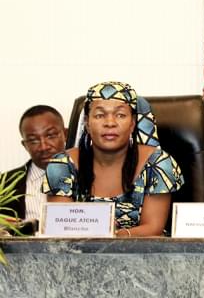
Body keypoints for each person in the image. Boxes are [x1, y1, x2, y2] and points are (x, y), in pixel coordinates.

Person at [44, 82, 184, 237]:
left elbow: (153, 228)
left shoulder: (158, 163)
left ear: (132, 124)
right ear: (87, 124)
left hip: (143, 254)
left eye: (120, 115)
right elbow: (61, 228)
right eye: (99, 115)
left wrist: (117, 235)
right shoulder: (61, 165)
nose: (110, 123)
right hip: (77, 255)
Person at [1, 105, 67, 232]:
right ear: (25, 145)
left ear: (65, 134)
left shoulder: (91, 175)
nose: (43, 147)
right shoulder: (4, 184)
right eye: (33, 141)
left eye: (50, 136)